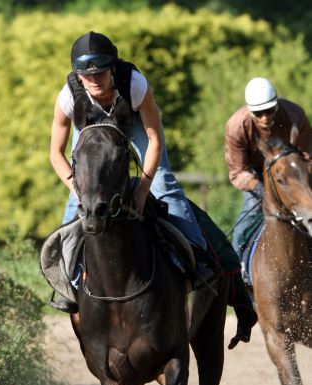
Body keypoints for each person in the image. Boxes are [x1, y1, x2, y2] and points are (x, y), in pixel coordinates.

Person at [49, 31, 257, 345]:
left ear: (112, 66)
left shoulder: (134, 84)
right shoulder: (68, 96)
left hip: (134, 127)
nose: (93, 80)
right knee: (76, 212)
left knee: (168, 191)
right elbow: (56, 152)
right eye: (86, 74)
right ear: (77, 74)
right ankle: (69, 283)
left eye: (101, 72)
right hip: (91, 133)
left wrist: (144, 188)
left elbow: (155, 140)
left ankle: (199, 263)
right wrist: (78, 189)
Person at [225, 76, 312, 258]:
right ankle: (236, 267)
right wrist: (260, 188)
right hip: (255, 175)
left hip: (292, 172)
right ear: (250, 111)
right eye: (259, 113)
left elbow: (307, 157)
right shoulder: (236, 127)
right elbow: (237, 172)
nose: (265, 118)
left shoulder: (295, 116)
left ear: (277, 104)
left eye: (270, 110)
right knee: (246, 222)